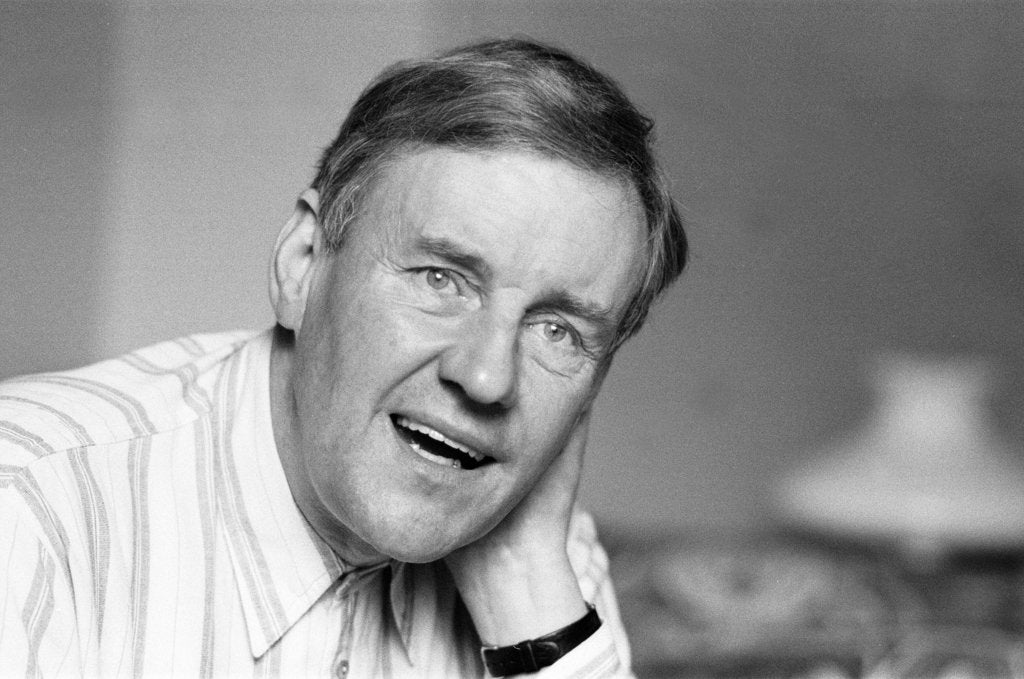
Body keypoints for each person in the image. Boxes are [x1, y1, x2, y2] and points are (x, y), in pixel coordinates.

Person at [0, 38, 687, 677]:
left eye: (557, 331)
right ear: (302, 264)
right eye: (441, 278)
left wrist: (527, 587)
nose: (486, 377)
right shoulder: (28, 507)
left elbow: (537, 577)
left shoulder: (546, 561)